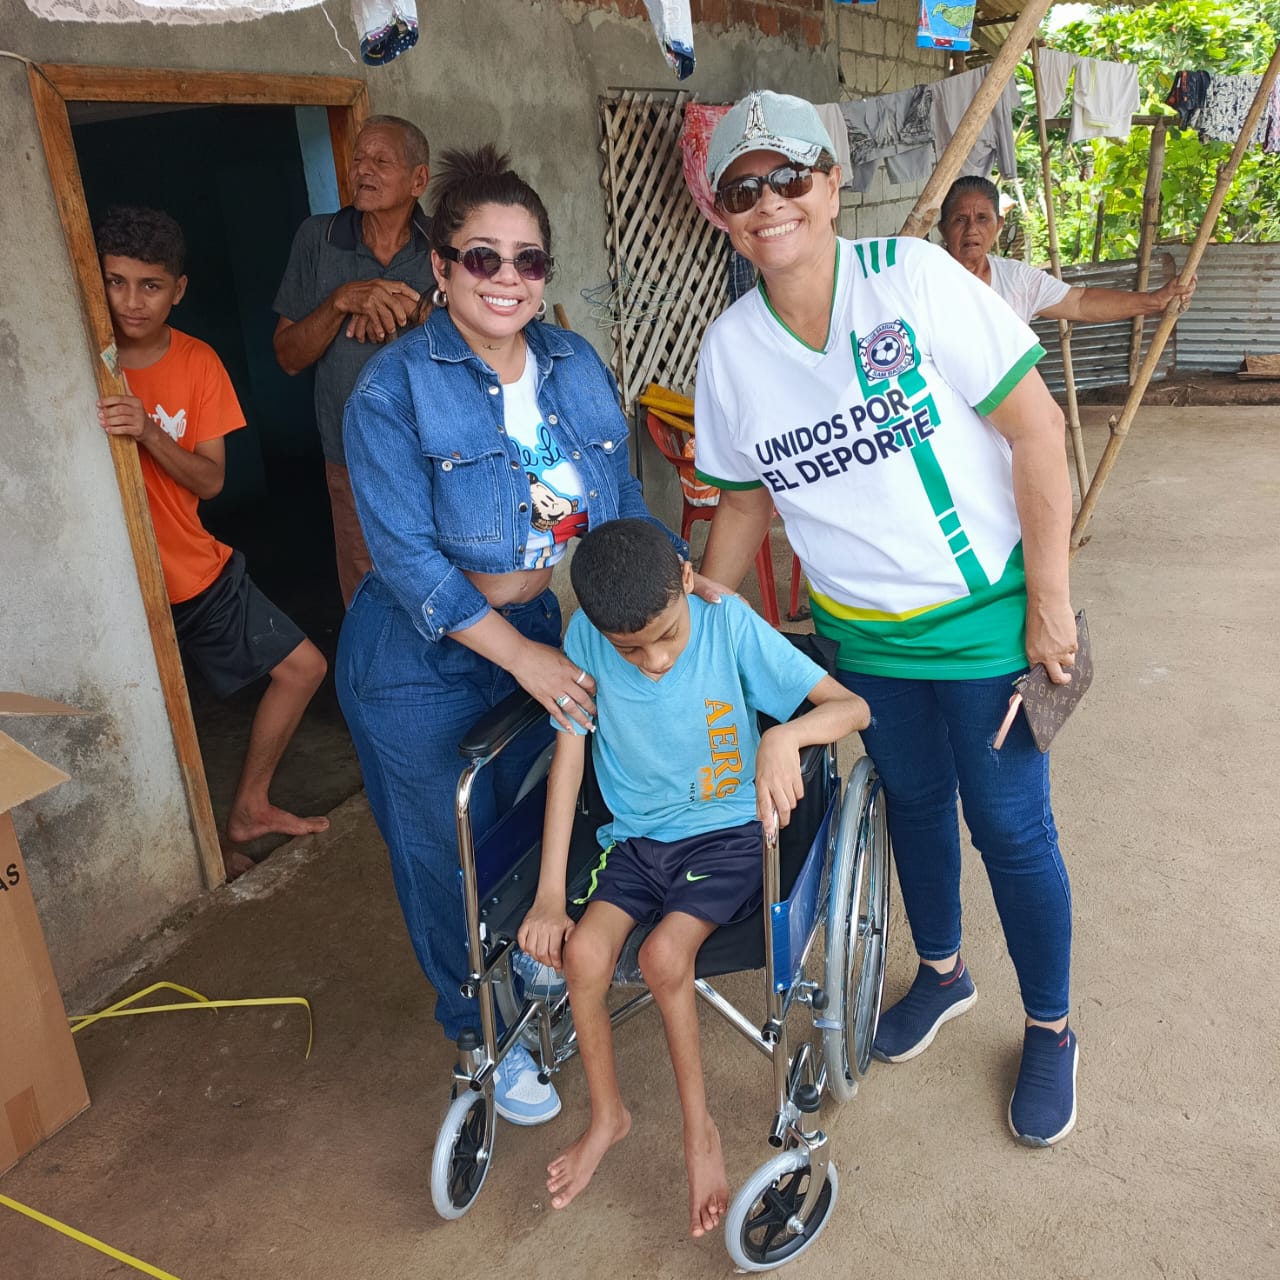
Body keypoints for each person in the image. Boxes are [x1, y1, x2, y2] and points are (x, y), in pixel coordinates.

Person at [692, 91, 1082, 1148]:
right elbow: (742, 502)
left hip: (985, 623)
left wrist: (1049, 602)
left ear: (830, 184)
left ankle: (1050, 1026)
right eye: (742, 189)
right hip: (862, 641)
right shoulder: (730, 350)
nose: (769, 202)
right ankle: (943, 971)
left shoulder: (909, 280)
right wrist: (704, 627)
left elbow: (1036, 429)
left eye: (789, 177)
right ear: (722, 213)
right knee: (912, 803)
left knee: (1009, 827)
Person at [337, 146, 706, 1127]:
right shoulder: (390, 391)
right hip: (416, 658)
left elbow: (618, 504)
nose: (507, 279)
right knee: (444, 857)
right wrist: (525, 657)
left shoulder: (572, 365)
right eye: (481, 258)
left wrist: (676, 578)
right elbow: (408, 561)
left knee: (532, 822)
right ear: (440, 267)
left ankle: (531, 969)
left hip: (536, 623)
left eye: (527, 260)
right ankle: (479, 1034)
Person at [517, 519, 866, 1235]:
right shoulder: (584, 639)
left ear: (687, 579)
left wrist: (784, 734)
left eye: (666, 635)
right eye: (630, 649)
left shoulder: (725, 623)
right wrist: (551, 896)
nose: (652, 661)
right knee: (583, 954)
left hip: (729, 836)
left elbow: (850, 706)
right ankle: (608, 1117)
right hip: (637, 841)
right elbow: (569, 764)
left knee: (662, 955)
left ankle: (700, 1132)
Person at [94, 207, 329, 879]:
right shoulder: (83, 358)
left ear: (179, 290)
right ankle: (189, 855)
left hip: (194, 570)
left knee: (303, 667)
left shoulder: (197, 362)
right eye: (116, 282)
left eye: (150, 285)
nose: (131, 301)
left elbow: (212, 479)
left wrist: (148, 430)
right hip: (115, 590)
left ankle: (249, 809)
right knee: (154, 722)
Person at [273, 115, 436, 606]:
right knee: (369, 590)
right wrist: (342, 300)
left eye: (381, 161)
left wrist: (418, 313)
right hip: (351, 458)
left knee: (441, 576)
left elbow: (483, 345)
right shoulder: (317, 239)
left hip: (436, 453)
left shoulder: (444, 249)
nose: (363, 169)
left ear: (418, 180)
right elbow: (288, 357)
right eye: (358, 158)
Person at [939, 175, 1196, 325]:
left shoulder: (1016, 280)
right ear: (942, 229)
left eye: (982, 218)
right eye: (960, 220)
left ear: (999, 225)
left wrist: (1154, 301)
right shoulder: (926, 278)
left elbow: (1080, 302)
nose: (972, 229)